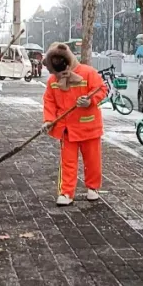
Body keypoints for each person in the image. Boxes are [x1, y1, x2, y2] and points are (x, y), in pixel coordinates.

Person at [41, 42, 107, 206]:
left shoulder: (88, 73)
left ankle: (93, 188)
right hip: (67, 129)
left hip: (89, 126)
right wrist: (48, 121)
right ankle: (66, 192)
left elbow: (101, 89)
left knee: (92, 161)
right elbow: (49, 101)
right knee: (67, 163)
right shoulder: (52, 80)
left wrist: (90, 101)